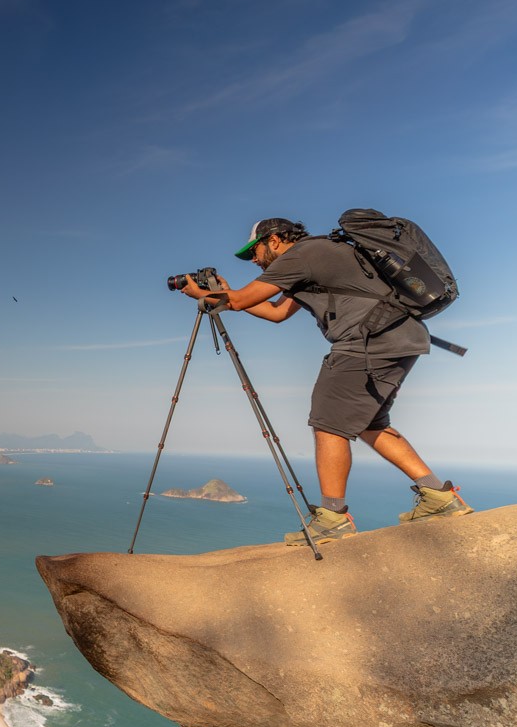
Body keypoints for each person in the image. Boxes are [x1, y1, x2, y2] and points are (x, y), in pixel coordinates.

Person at [178, 217, 472, 545]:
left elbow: (239, 301)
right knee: (370, 423)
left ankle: (333, 520)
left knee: (328, 421)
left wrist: (200, 294)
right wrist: (227, 294)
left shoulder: (301, 256)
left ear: (274, 240)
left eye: (255, 252)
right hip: (398, 336)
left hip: (367, 340)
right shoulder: (318, 254)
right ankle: (438, 497)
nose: (255, 261)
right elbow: (276, 313)